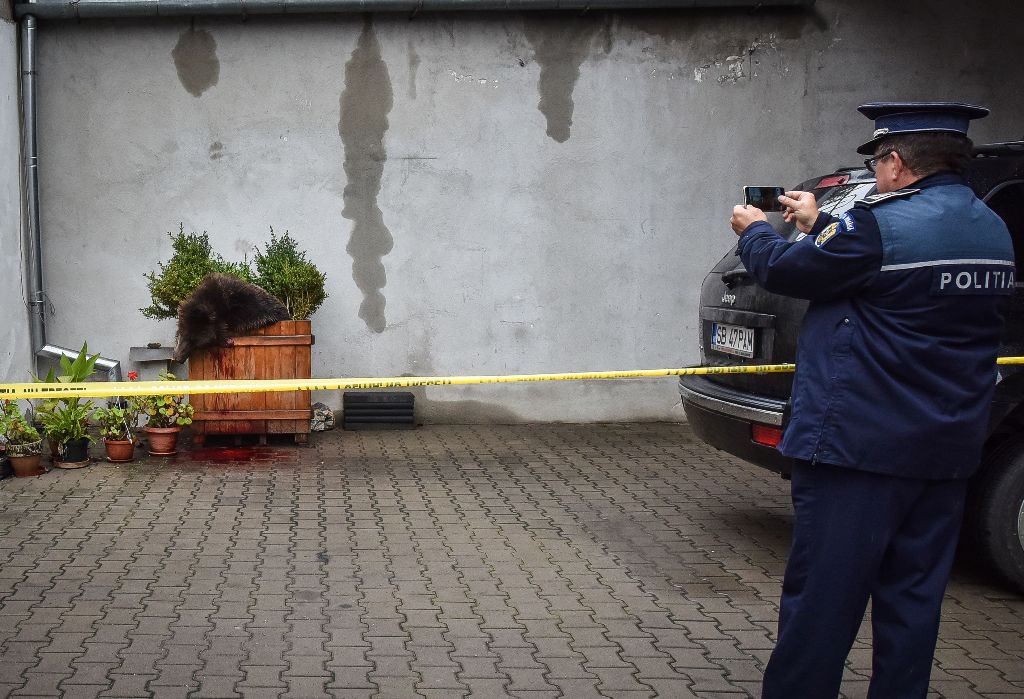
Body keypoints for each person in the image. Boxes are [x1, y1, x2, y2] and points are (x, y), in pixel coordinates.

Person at [728, 102, 1015, 699]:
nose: (877, 177)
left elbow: (790, 272)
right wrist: (820, 222)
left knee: (822, 608)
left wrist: (756, 230)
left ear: (894, 163)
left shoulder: (880, 226)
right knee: (912, 605)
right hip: (944, 451)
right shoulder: (993, 227)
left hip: (859, 452)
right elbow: (877, 277)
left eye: (879, 163)